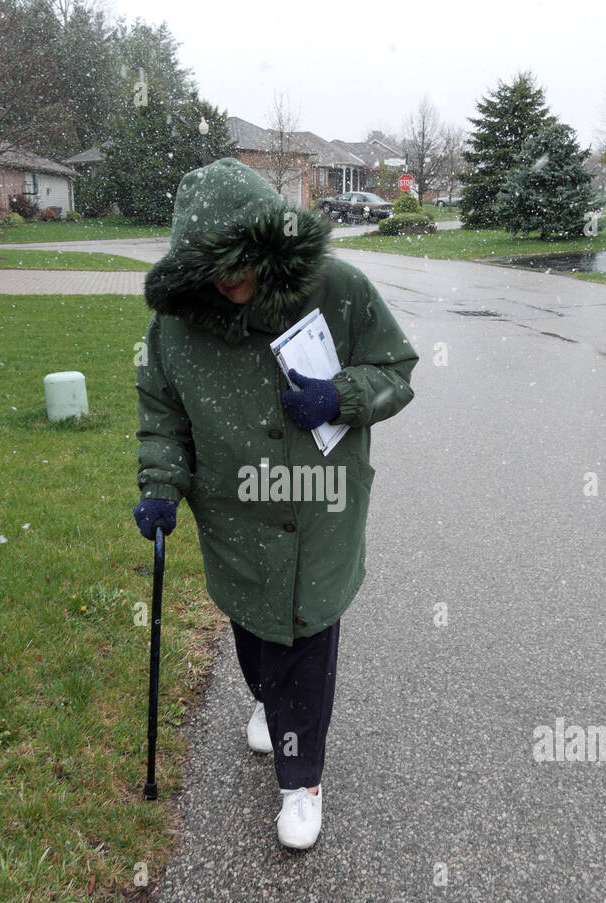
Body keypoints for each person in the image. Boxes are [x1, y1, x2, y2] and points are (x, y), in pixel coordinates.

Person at [132, 157, 416, 849]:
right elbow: (162, 414)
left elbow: (397, 371)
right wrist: (161, 487)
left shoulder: (338, 290)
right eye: (212, 265)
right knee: (256, 634)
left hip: (319, 513)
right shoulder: (174, 331)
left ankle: (302, 781)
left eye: (242, 260)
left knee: (307, 639)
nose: (230, 279)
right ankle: (267, 700)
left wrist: (341, 395)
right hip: (233, 518)